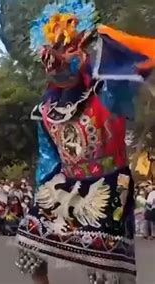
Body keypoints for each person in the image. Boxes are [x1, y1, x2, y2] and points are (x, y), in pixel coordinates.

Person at [15, 1, 155, 283]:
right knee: (29, 241)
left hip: (110, 183)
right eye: (51, 50)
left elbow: (145, 59)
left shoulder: (107, 88)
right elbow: (47, 158)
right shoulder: (45, 110)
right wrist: (41, 191)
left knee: (105, 269)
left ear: (82, 48)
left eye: (65, 48)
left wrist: (113, 37)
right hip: (65, 183)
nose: (56, 59)